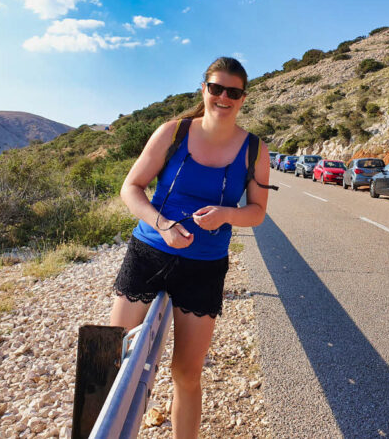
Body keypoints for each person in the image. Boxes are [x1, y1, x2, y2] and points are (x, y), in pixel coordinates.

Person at [110, 57, 271, 438]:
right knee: (111, 357)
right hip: (149, 253)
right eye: (216, 88)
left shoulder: (254, 150)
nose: (223, 97)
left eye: (233, 91)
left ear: (243, 98)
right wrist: (163, 225)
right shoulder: (173, 132)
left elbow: (258, 213)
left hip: (204, 267)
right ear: (204, 90)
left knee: (186, 373)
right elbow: (130, 189)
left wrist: (226, 215)